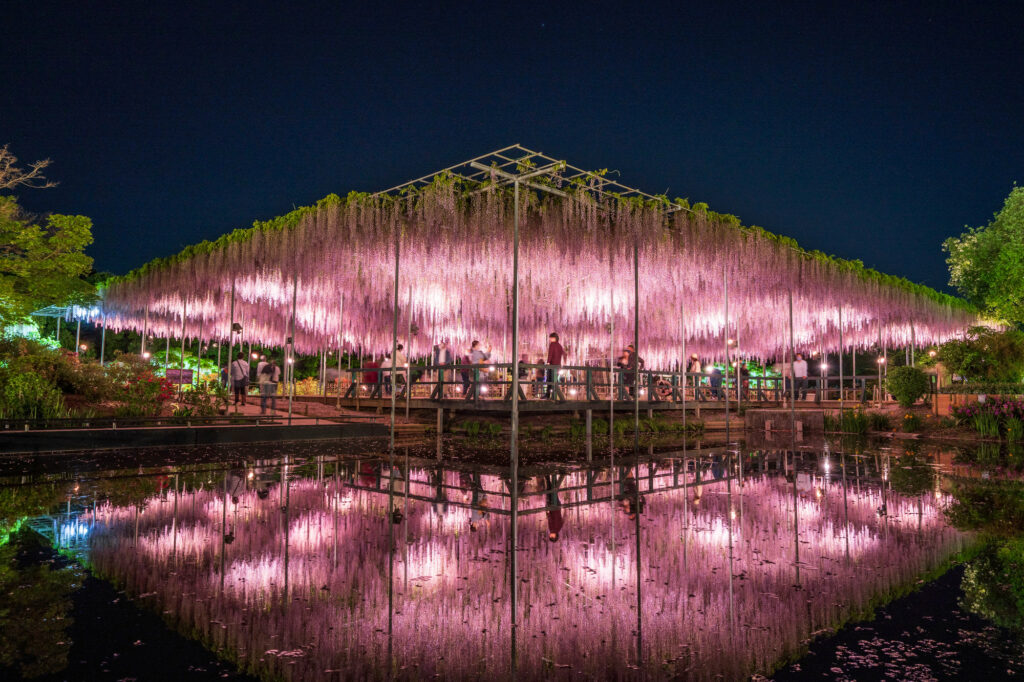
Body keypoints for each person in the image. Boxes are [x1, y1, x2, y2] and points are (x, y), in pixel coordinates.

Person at [544, 473, 565, 541]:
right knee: (551, 492)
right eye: (552, 537)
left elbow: (551, 520)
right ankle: (550, 477)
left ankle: (550, 477)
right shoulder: (555, 528)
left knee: (551, 492)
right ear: (556, 536)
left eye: (550, 537)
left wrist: (548, 513)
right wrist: (548, 512)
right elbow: (554, 518)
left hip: (555, 507)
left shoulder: (553, 529)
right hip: (554, 507)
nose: (551, 535)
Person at [545, 332, 565, 399]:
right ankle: (554, 395)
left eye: (550, 338)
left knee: (549, 380)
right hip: (557, 366)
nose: (550, 339)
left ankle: (547, 395)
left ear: (554, 338)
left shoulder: (552, 344)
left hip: (552, 365)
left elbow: (550, 354)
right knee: (554, 380)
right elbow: (563, 354)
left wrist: (548, 362)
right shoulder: (560, 346)